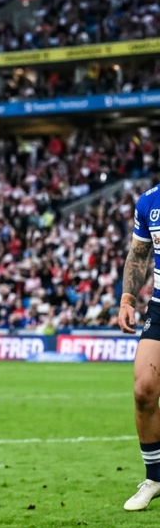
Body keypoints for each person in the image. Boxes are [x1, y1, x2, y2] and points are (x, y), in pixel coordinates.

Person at [117, 183, 160, 509]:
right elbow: (139, 253)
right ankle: (155, 478)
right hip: (159, 306)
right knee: (144, 389)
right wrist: (128, 298)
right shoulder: (149, 201)